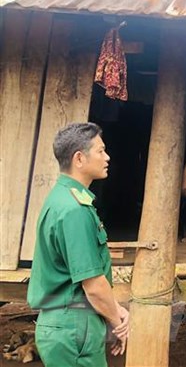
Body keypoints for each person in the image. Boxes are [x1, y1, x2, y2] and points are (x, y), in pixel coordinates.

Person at [27, 122, 129, 366]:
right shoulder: (75, 210)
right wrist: (118, 323)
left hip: (67, 322)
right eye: (100, 151)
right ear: (79, 159)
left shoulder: (61, 197)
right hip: (73, 325)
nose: (107, 157)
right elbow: (92, 284)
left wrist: (115, 308)